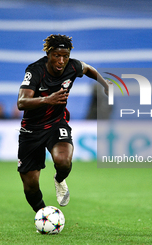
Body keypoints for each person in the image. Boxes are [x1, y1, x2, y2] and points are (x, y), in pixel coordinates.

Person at [16, 34, 109, 213]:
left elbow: (88, 68)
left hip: (56, 123)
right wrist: (47, 100)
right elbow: (21, 102)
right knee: (30, 185)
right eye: (57, 55)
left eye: (65, 56)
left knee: (63, 160)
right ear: (48, 54)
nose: (61, 60)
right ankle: (44, 215)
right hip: (31, 130)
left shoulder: (73, 66)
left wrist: (105, 84)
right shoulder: (35, 70)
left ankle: (59, 179)